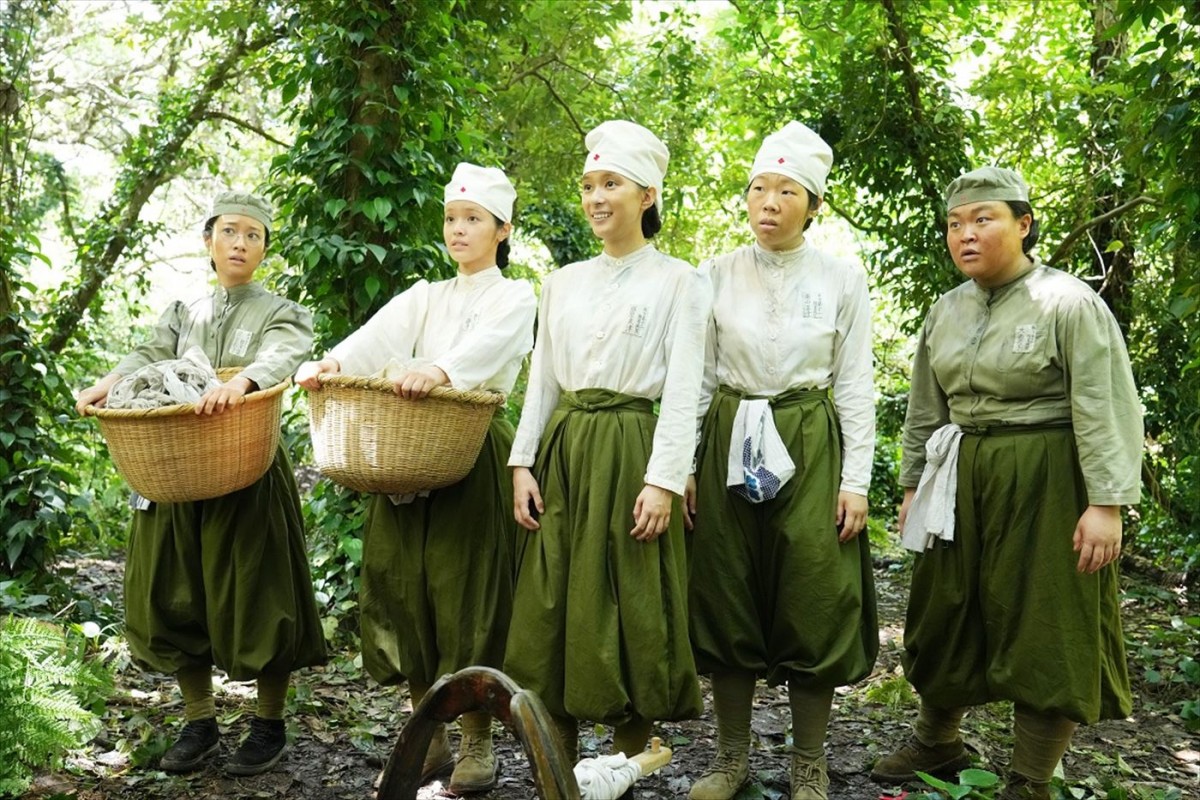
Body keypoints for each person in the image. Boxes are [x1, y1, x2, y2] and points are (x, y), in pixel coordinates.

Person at [870, 167, 1142, 799]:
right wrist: (913, 484)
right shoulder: (946, 311)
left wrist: (1106, 503)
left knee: (1047, 618)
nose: (966, 234)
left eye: (983, 219)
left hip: (1046, 476)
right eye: (955, 223)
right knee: (945, 609)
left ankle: (1030, 777)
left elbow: (1104, 406)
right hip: (957, 475)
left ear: (1022, 225)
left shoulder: (1068, 303)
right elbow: (924, 408)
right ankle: (938, 739)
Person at [295, 163, 535, 794]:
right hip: (401, 456)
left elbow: (489, 349)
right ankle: (424, 735)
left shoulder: (514, 296)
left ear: (502, 230)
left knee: (465, 595)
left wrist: (441, 371)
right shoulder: (426, 295)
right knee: (404, 589)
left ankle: (476, 741)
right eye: (453, 218)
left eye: (474, 219)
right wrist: (334, 361)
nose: (459, 230)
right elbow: (378, 337)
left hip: (469, 457)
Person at [75, 191, 327, 776]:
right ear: (210, 239)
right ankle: (199, 723)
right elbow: (147, 355)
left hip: (246, 468)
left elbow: (284, 353)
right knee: (176, 591)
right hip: (175, 470)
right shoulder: (184, 310)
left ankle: (268, 725)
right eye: (231, 232)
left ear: (265, 249)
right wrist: (104, 385)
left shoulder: (280, 310)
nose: (241, 244)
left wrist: (239, 386)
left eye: (254, 235)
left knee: (260, 595)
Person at [506, 120, 710, 765]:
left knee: (632, 598)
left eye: (611, 184)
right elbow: (543, 378)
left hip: (631, 448)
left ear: (646, 195)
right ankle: (558, 762)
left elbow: (682, 387)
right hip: (566, 450)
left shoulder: (680, 280)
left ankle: (625, 763)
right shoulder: (562, 281)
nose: (596, 198)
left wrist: (664, 478)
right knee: (554, 595)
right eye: (588, 185)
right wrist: (522, 462)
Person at [686, 122, 878, 800]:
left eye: (786, 190)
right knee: (725, 588)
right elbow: (699, 377)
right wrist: (683, 463)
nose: (768, 201)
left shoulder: (841, 279)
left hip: (808, 436)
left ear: (814, 204)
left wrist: (855, 481)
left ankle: (808, 763)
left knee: (813, 592)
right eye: (758, 188)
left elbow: (855, 382)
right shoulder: (712, 274)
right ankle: (731, 758)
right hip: (729, 431)